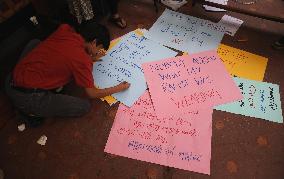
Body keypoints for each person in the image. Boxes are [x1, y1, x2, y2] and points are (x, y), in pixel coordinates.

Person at [5, 21, 130, 126]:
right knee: (83, 107)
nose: (99, 52)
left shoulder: (66, 30)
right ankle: (29, 111)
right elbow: (92, 93)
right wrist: (120, 87)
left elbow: (69, 54)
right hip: (26, 96)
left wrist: (89, 57)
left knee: (35, 43)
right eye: (100, 48)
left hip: (13, 77)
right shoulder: (82, 60)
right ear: (94, 42)